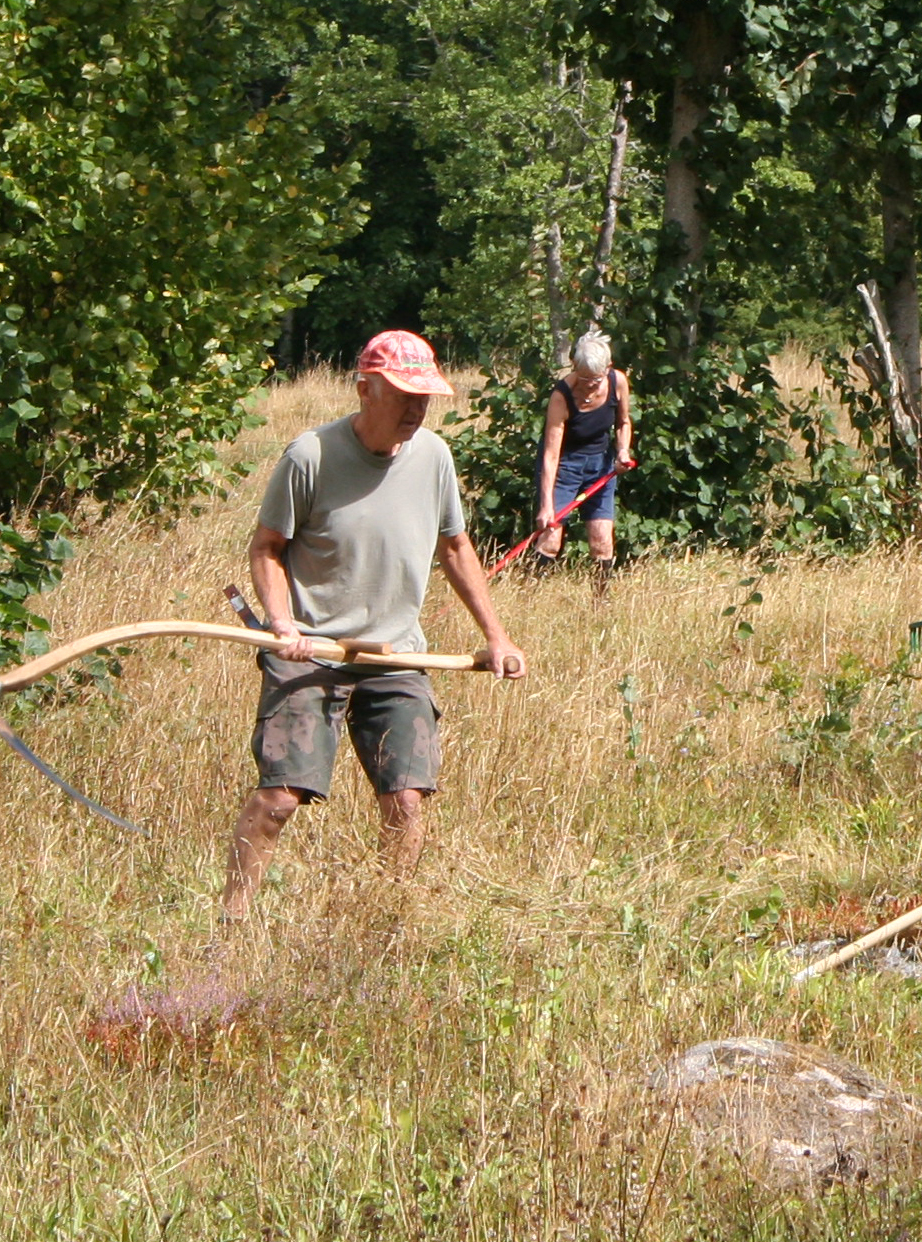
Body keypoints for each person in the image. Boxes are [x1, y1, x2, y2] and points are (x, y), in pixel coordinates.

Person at [225, 329, 530, 923]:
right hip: (310, 653)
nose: (418, 408)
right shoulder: (309, 456)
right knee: (279, 799)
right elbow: (266, 548)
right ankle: (232, 925)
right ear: (365, 389)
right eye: (404, 395)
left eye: (426, 398)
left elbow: (457, 548)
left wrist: (497, 636)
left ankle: (388, 920)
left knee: (407, 800)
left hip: (397, 656)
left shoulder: (434, 457)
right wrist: (284, 625)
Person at [534, 330, 634, 572]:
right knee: (550, 539)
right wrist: (546, 505)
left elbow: (623, 422)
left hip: (601, 466)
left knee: (602, 541)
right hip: (565, 467)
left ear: (608, 368)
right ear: (574, 366)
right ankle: (528, 596)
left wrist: (622, 452)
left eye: (596, 380)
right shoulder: (561, 397)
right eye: (584, 377)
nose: (589, 385)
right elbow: (551, 455)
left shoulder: (617, 381)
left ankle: (601, 604)